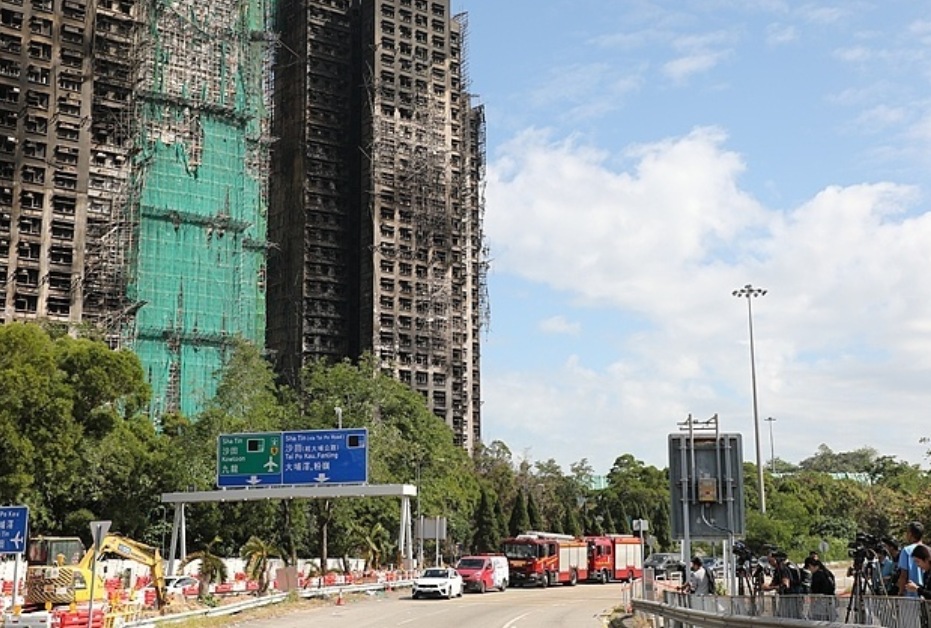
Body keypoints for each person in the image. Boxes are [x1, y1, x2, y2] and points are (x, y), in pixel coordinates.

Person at [898, 521, 925, 598]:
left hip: (910, 595)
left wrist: (900, 592)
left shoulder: (906, 550)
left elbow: (903, 575)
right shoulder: (928, 550)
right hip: (925, 595)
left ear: (910, 534)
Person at [807, 557, 837, 621]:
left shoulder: (817, 574)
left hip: (820, 601)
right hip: (831, 599)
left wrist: (811, 605)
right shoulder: (828, 572)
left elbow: (815, 590)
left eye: (809, 569)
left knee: (819, 621)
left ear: (810, 566)